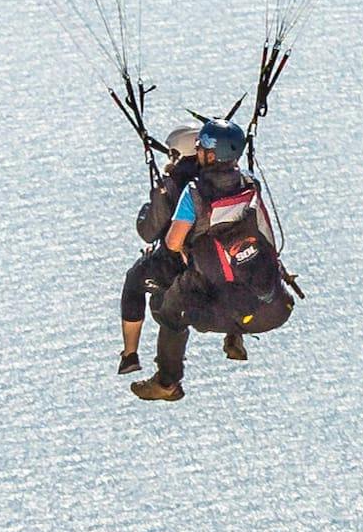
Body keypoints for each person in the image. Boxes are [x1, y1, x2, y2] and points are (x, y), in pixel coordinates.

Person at [120, 117, 292, 401]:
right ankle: (235, 337)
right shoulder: (250, 183)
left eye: (202, 146)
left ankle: (167, 382)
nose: (198, 149)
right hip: (271, 303)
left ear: (211, 155)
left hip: (224, 302)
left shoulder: (195, 192)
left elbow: (173, 242)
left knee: (168, 308)